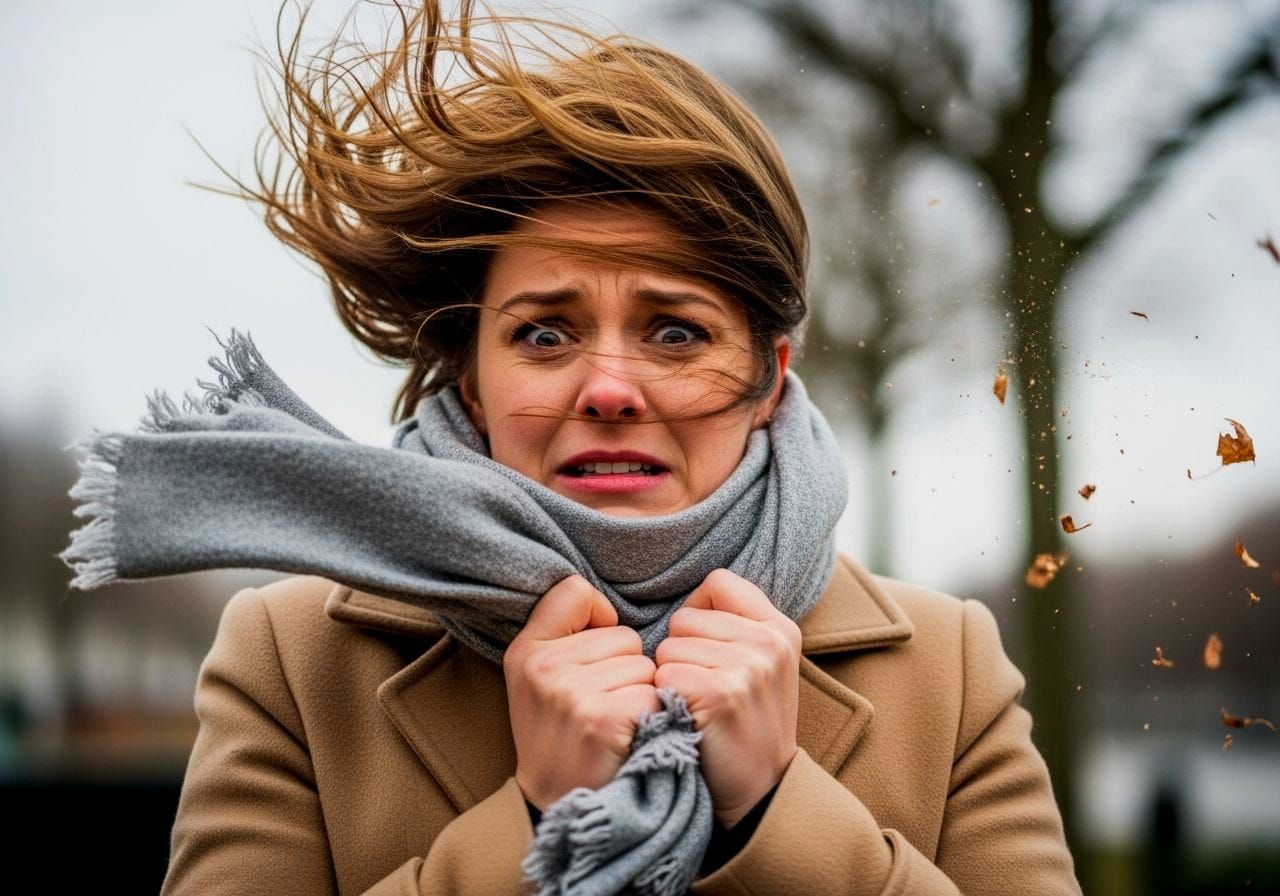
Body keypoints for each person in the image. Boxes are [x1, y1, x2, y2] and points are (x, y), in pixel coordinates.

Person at [157, 1, 1084, 893]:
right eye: (544, 335)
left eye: (676, 333)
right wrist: (534, 821)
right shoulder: (290, 660)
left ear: (767, 379)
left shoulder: (950, 670)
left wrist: (776, 811)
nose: (607, 388)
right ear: (472, 380)